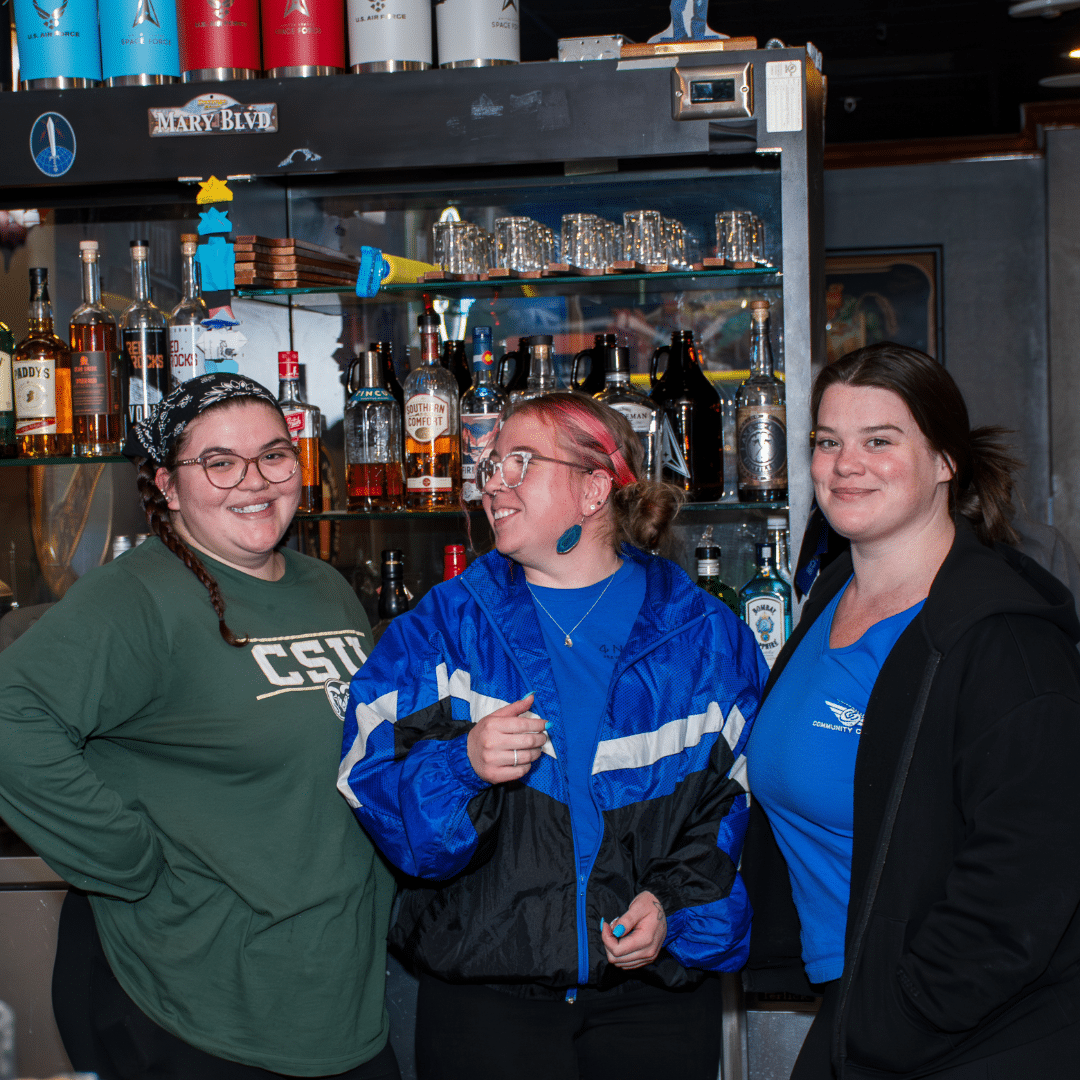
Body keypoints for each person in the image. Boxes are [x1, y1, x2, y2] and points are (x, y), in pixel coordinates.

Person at [338, 391, 767, 1080]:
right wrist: (463, 764)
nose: (492, 482)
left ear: (595, 487)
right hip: (487, 1004)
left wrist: (672, 907)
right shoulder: (444, 624)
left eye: (519, 462)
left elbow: (737, 800)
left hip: (651, 1005)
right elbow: (369, 778)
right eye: (489, 465)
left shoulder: (705, 637)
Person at [0, 374, 397, 1080]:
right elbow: (10, 716)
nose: (253, 481)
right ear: (169, 486)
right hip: (199, 997)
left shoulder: (325, 587)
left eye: (274, 455)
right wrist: (126, 860)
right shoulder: (137, 597)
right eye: (218, 462)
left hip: (332, 988)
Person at [743, 343, 1080, 1079]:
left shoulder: (1004, 639)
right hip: (863, 1008)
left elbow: (1029, 870)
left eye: (880, 441)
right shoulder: (832, 594)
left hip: (980, 1033)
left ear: (945, 462)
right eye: (828, 442)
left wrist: (911, 1011)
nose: (845, 464)